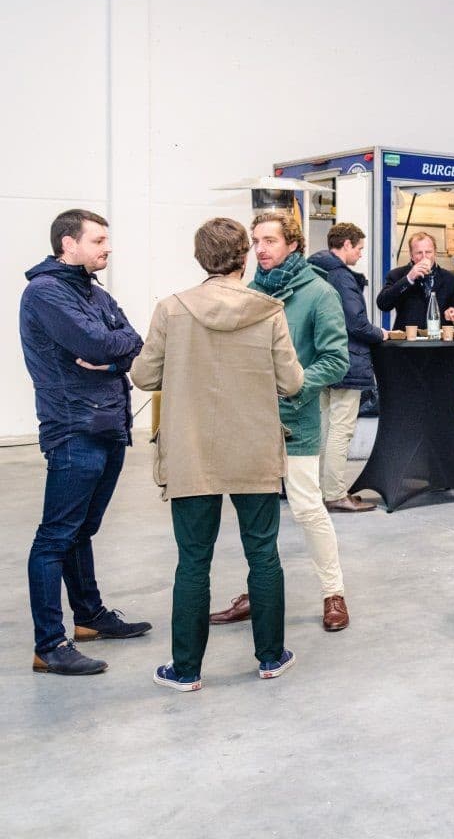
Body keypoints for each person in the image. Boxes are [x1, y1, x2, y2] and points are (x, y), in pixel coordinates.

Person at [131, 218, 305, 690]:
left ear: (198, 257)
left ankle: (185, 670)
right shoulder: (269, 311)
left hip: (191, 452)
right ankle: (271, 657)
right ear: (244, 256)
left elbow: (143, 376)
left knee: (193, 560)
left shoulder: (171, 309)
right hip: (254, 449)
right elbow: (291, 382)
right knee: (263, 555)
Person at [21, 209, 150, 676]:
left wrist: (113, 362)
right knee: (55, 537)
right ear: (67, 244)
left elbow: (134, 342)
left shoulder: (91, 291)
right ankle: (48, 645)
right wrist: (111, 353)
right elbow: (97, 344)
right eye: (97, 241)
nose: (107, 248)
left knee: (81, 531)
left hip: (107, 424)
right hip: (74, 428)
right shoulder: (46, 293)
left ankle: (90, 618)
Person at [210, 212, 352, 633]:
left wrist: (294, 388)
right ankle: (259, 593)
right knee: (257, 514)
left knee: (309, 509)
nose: (261, 249)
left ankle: (334, 593)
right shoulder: (249, 291)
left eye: (269, 240)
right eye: (256, 241)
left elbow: (336, 359)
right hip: (250, 422)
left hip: (295, 420)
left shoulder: (319, 293)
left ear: (293, 244)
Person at [309, 222, 385, 513]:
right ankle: (336, 493)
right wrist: (381, 334)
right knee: (342, 429)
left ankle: (322, 489)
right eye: (359, 248)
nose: (360, 254)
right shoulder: (341, 277)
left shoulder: (315, 270)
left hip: (322, 359)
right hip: (347, 360)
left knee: (326, 427)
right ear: (346, 245)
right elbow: (355, 322)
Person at [376, 231, 454, 329]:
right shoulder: (397, 275)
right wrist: (409, 279)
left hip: (439, 341)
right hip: (407, 341)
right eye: (419, 253)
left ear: (435, 253)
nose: (424, 257)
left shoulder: (450, 279)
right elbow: (383, 304)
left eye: (428, 252)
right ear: (411, 255)